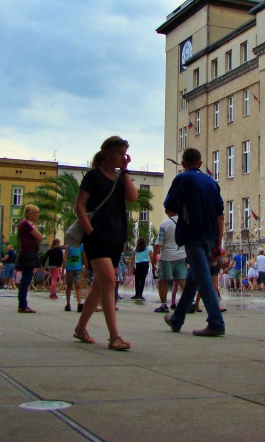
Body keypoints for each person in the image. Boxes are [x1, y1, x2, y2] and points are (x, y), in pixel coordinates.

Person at [73, 136, 137, 351]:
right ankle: (114, 337)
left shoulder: (120, 178)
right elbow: (79, 205)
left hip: (116, 238)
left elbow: (133, 197)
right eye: (120, 153)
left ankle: (80, 328)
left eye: (125, 154)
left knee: (99, 287)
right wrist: (90, 231)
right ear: (107, 153)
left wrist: (125, 171)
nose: (123, 157)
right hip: (97, 237)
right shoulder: (93, 176)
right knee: (109, 282)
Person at [162, 147, 225, 337]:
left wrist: (186, 210)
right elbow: (220, 216)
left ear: (183, 164)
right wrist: (218, 244)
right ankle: (177, 319)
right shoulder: (212, 182)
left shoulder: (182, 179)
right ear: (200, 163)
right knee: (194, 277)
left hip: (193, 235)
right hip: (210, 236)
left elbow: (169, 208)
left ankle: (216, 322)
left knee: (202, 277)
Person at [152, 215, 186, 313]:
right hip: (182, 255)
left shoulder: (165, 223)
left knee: (163, 281)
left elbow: (159, 242)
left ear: (168, 211)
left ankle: (164, 304)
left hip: (166, 257)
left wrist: (154, 256)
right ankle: (189, 301)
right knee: (182, 280)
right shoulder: (185, 222)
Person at [16, 204, 43, 313]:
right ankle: (22, 304)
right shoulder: (26, 224)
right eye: (37, 213)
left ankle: (22, 303)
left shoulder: (26, 224)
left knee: (26, 279)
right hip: (28, 254)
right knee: (26, 279)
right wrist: (37, 241)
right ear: (31, 214)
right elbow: (40, 237)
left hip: (28, 253)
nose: (39, 215)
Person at [63, 241, 85, 311]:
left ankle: (79, 303)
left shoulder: (81, 246)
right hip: (69, 268)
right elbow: (65, 258)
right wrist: (63, 270)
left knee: (78, 285)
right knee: (69, 285)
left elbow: (84, 257)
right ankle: (68, 303)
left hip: (78, 268)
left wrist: (86, 267)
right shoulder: (68, 246)